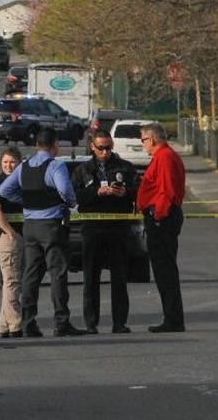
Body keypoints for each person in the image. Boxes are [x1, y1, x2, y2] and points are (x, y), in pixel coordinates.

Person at [0, 128, 86, 337]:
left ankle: (28, 323)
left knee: (31, 275)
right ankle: (61, 322)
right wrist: (72, 202)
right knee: (58, 273)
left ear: (37, 145)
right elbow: (65, 190)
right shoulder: (55, 165)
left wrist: (26, 202)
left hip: (30, 226)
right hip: (51, 225)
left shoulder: (24, 166)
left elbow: (4, 190)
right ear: (55, 144)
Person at [72, 131, 137, 334]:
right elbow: (75, 197)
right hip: (92, 229)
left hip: (118, 228)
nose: (105, 152)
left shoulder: (124, 167)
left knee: (119, 277)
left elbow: (138, 191)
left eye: (108, 147)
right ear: (92, 146)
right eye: (101, 148)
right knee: (91, 277)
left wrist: (125, 193)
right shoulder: (83, 170)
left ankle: (119, 322)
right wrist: (96, 192)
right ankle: (91, 323)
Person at [136, 122, 186, 333]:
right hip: (161, 216)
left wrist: (158, 215)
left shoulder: (164, 157)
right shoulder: (163, 157)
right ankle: (171, 316)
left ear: (153, 139)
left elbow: (166, 190)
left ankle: (173, 318)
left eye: (143, 140)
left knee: (165, 270)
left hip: (162, 217)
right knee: (163, 270)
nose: (143, 145)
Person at [0, 147, 25, 339]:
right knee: (12, 282)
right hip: (7, 239)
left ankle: (4, 326)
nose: (8, 166)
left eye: (12, 162)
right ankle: (15, 325)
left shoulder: (20, 181)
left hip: (15, 236)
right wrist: (10, 231)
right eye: (5, 162)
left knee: (9, 283)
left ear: (20, 162)